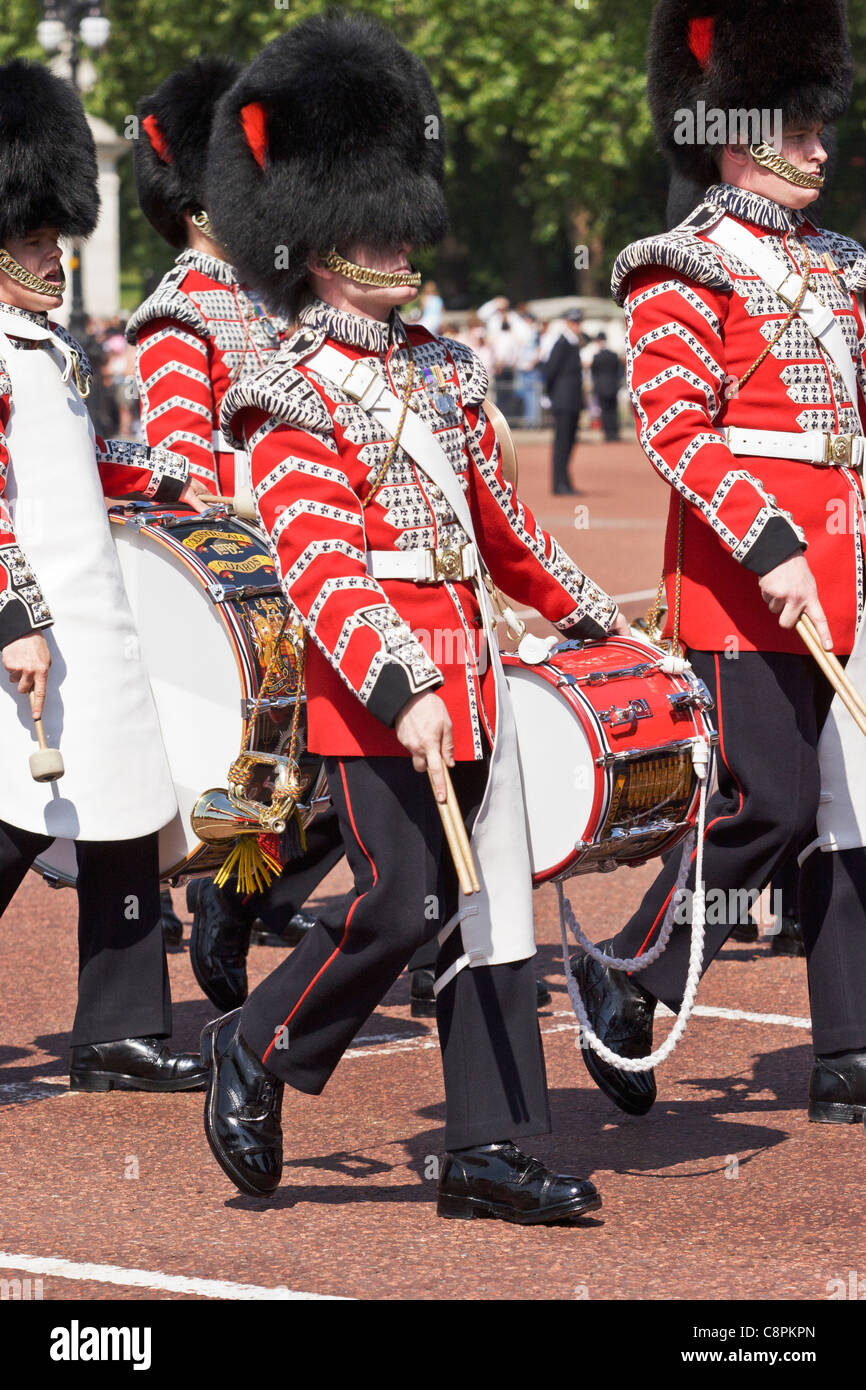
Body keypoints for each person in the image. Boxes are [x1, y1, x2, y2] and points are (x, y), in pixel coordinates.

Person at [202, 11, 630, 1220]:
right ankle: (258, 1043)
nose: (397, 234)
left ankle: (485, 1147)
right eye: (369, 219)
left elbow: (504, 534)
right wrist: (406, 685)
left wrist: (602, 620)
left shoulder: (445, 369)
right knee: (399, 901)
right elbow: (324, 568)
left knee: (487, 902)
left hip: (473, 674)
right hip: (375, 687)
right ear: (318, 238)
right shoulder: (285, 395)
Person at [572, 0, 866, 1124]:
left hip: (845, 557)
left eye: (818, 126)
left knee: (850, 807)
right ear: (732, 129)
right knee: (771, 804)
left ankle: (842, 1044)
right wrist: (772, 542)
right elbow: (673, 428)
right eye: (796, 128)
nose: (820, 147)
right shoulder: (675, 263)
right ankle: (634, 967)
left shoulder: (839, 264)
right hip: (749, 577)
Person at [0, 60, 211, 1091]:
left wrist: (176, 480)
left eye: (54, 240)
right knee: (9, 822)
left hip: (97, 618)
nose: (55, 259)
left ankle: (119, 1030)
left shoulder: (42, 342)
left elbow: (79, 466)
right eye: (35, 242)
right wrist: (15, 619)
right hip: (34, 618)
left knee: (127, 813)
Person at [127, 56, 346, 986]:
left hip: (322, 542)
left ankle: (269, 895)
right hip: (257, 565)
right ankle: (235, 891)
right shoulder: (181, 310)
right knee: (300, 764)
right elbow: (182, 469)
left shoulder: (272, 294)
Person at [543, 308, 585, 493]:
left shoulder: (573, 342)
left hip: (572, 400)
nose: (577, 326)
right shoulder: (562, 342)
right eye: (574, 322)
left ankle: (565, 481)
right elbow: (551, 370)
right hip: (563, 399)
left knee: (569, 441)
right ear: (567, 323)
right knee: (562, 442)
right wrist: (550, 395)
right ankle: (559, 483)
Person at [589, 332, 623, 442]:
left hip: (601, 386)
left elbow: (594, 372)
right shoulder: (614, 355)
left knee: (605, 410)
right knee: (613, 410)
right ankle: (614, 432)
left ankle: (608, 433)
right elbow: (618, 370)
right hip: (613, 385)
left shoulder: (597, 357)